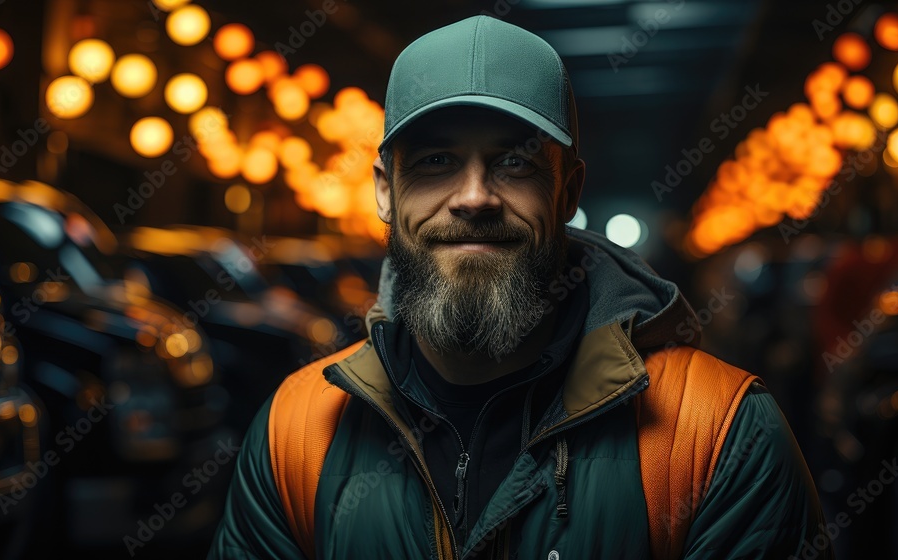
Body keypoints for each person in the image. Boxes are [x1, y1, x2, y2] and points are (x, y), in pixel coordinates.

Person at [208, 15, 832, 560]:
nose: (475, 197)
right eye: (434, 161)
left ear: (566, 193)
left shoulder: (717, 434)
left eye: (514, 162)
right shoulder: (295, 432)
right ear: (383, 192)